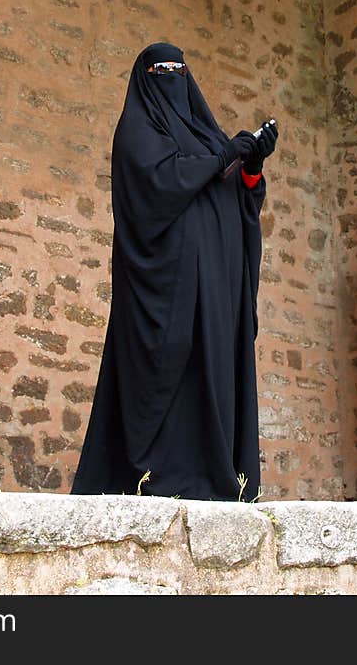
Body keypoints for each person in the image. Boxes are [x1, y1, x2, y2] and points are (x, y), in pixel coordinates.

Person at [70, 42, 278, 501]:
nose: (172, 77)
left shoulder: (205, 135)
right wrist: (222, 158)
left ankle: (215, 478)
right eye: (161, 70)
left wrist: (250, 170)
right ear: (146, 78)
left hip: (217, 290)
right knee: (172, 375)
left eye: (179, 69)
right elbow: (159, 185)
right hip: (167, 290)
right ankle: (154, 480)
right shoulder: (136, 132)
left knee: (213, 376)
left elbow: (231, 197)